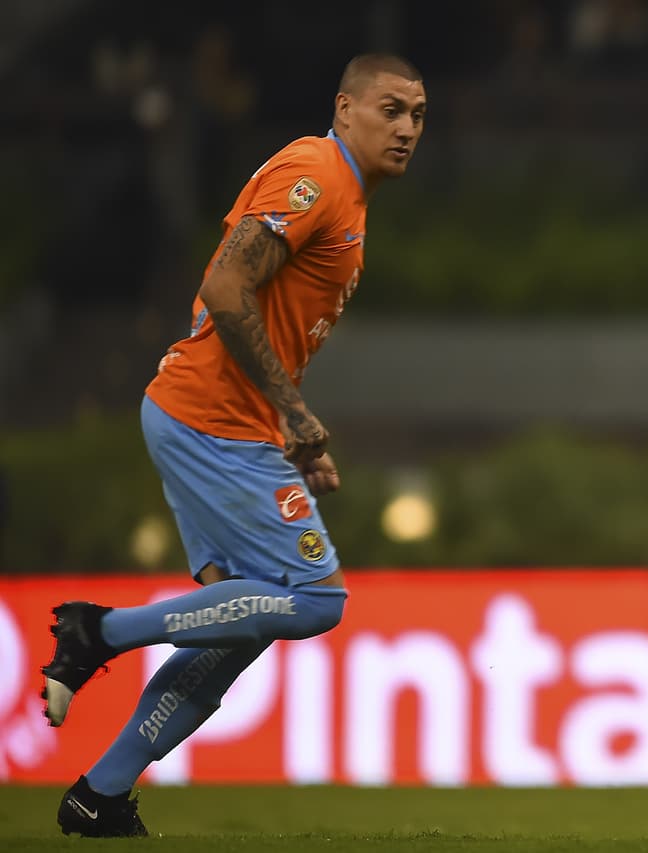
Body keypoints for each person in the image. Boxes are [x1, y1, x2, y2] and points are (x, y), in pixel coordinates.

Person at [39, 53, 427, 837]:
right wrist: (297, 411)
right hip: (210, 419)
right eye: (391, 109)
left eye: (418, 115)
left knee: (239, 626)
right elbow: (224, 287)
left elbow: (273, 321)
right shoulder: (316, 170)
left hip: (228, 422)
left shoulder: (349, 197)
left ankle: (101, 795)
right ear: (344, 107)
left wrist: (291, 429)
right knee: (317, 600)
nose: (407, 128)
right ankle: (95, 633)